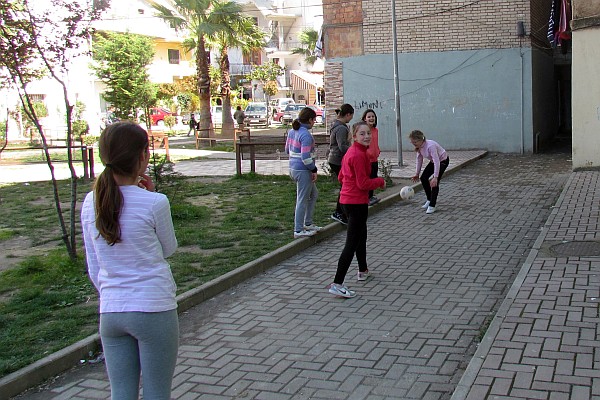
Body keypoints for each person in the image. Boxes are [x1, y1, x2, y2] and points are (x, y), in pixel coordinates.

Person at [81, 121, 179, 400]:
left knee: (121, 394)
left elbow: (94, 265)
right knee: (157, 393)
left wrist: (115, 294)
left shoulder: (91, 202)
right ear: (143, 156)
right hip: (153, 307)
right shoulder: (154, 202)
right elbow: (168, 249)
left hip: (111, 312)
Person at [328, 121, 386, 298]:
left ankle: (363, 270)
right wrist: (380, 182)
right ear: (354, 136)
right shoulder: (358, 155)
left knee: (361, 236)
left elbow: (341, 177)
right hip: (356, 203)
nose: (367, 136)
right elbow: (363, 184)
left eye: (368, 133)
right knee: (351, 243)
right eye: (362, 134)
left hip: (347, 201)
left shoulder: (353, 152)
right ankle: (337, 283)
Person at [285, 107, 321, 238]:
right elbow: (305, 157)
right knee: (302, 199)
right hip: (303, 170)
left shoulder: (292, 131)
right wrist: (313, 169)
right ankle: (298, 230)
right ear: (310, 120)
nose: (314, 123)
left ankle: (308, 223)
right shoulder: (305, 135)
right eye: (314, 120)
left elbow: (287, 151)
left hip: (293, 168)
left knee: (313, 194)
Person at [409, 129, 450, 214]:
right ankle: (429, 199)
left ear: (421, 140)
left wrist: (435, 177)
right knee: (423, 178)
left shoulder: (430, 146)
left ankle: (432, 205)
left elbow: (437, 161)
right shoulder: (419, 147)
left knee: (434, 182)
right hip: (434, 161)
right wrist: (417, 173)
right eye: (412, 142)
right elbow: (419, 160)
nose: (414, 144)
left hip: (443, 161)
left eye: (415, 142)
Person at [327, 103, 354, 225]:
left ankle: (342, 211)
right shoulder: (342, 128)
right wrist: (353, 151)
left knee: (344, 186)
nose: (351, 119)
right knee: (345, 187)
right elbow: (342, 146)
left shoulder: (335, 125)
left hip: (334, 159)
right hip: (338, 160)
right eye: (351, 116)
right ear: (347, 114)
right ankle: (339, 212)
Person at [362, 109, 381, 206]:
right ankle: (366, 197)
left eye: (373, 116)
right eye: (369, 117)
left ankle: (371, 196)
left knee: (373, 177)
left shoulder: (375, 130)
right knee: (368, 178)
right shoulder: (364, 131)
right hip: (367, 160)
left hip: (374, 159)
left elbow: (375, 143)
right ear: (365, 119)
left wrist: (377, 150)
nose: (371, 118)